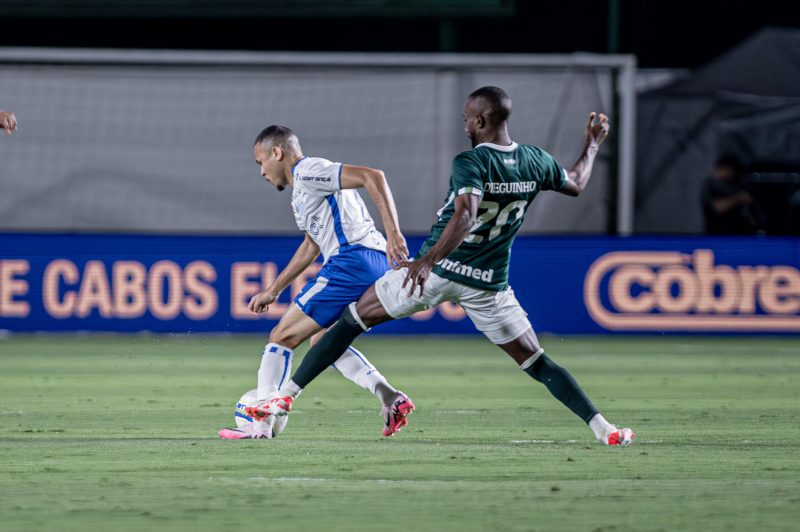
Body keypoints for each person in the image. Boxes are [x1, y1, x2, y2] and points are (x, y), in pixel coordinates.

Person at [247, 87, 634, 446]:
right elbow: (577, 181)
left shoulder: (472, 161)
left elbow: (464, 216)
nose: (464, 125)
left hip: (436, 271)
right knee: (536, 361)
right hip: (488, 284)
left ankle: (282, 398)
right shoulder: (536, 160)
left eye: (467, 118)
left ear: (481, 121)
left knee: (349, 321)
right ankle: (605, 429)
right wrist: (593, 144)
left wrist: (426, 261)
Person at [219, 125, 414, 439]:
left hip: (353, 260)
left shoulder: (309, 171)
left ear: (277, 153)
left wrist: (394, 234)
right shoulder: (303, 192)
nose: (262, 172)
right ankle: (390, 397)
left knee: (281, 336)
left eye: (261, 163)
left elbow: (372, 176)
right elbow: (312, 244)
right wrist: (274, 289)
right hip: (370, 262)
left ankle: (261, 422)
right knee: (322, 341)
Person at [701, 155, 759, 234]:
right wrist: (738, 199)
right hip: (716, 233)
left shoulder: (739, 184)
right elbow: (718, 208)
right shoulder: (711, 185)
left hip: (738, 233)